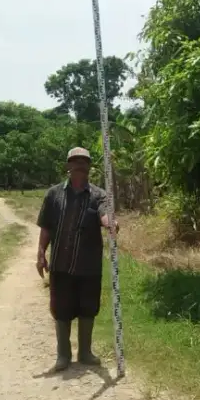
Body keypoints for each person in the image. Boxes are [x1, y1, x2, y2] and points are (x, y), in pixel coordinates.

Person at [35, 147, 119, 372]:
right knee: (60, 308)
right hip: (61, 263)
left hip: (89, 265)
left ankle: (85, 352)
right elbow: (46, 226)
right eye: (76, 161)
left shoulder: (98, 194)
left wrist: (109, 222)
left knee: (88, 307)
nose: (81, 165)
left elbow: (105, 213)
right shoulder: (54, 194)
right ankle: (63, 355)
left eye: (85, 162)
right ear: (68, 166)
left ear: (90, 167)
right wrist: (41, 252)